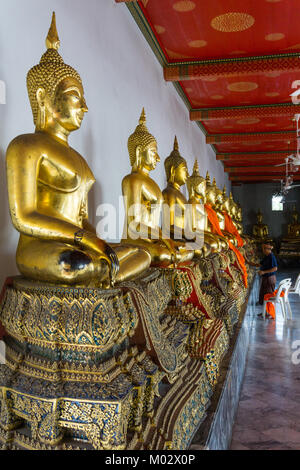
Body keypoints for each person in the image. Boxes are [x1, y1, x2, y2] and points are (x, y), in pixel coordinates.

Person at [258, 243, 278, 314]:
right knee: (264, 296)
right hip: (265, 278)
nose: (262, 250)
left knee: (268, 296)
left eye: (264, 248)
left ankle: (268, 312)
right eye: (262, 248)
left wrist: (263, 272)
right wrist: (247, 262)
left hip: (269, 278)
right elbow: (260, 264)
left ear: (268, 249)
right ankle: (265, 312)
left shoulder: (271, 257)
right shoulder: (266, 256)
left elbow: (275, 268)